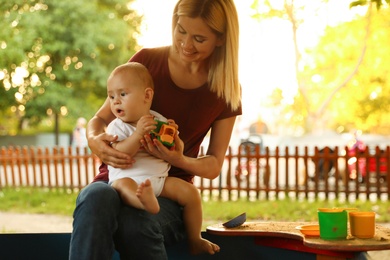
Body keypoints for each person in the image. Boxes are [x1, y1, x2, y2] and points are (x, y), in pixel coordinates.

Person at [69, 0, 242, 259]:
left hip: (165, 188)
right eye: (181, 31)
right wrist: (94, 140)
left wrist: (178, 159)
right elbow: (99, 119)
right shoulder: (146, 61)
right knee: (94, 198)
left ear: (221, 39)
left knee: (136, 222)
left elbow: (214, 164)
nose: (186, 44)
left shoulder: (226, 91)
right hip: (115, 178)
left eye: (199, 38)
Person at [106, 62, 218, 254]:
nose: (116, 101)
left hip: (159, 180)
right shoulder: (117, 126)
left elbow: (177, 151)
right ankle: (144, 203)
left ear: (147, 96)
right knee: (121, 186)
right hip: (129, 180)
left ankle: (194, 239)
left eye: (122, 94)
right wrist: (137, 135)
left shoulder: (159, 120)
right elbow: (121, 152)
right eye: (111, 96)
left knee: (191, 193)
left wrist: (174, 137)